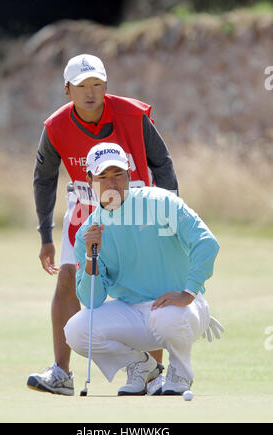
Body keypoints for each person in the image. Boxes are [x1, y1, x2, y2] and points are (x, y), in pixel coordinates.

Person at [27, 54, 179, 395]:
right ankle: (62, 373)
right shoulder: (55, 127)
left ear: (106, 86)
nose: (91, 92)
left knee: (145, 287)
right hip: (84, 211)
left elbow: (163, 164)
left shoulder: (132, 115)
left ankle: (152, 375)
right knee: (67, 278)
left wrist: (170, 218)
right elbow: (44, 179)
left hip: (139, 210)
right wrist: (44, 235)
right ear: (68, 90)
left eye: (97, 84)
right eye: (82, 86)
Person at [64, 143, 222, 396]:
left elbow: (206, 243)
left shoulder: (161, 202)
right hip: (133, 313)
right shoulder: (88, 232)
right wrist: (92, 256)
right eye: (102, 177)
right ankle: (142, 365)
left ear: (129, 175)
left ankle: (180, 372)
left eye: (117, 174)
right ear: (90, 180)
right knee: (76, 330)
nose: (111, 183)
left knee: (166, 316)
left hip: (181, 309)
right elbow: (92, 300)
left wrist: (189, 291)